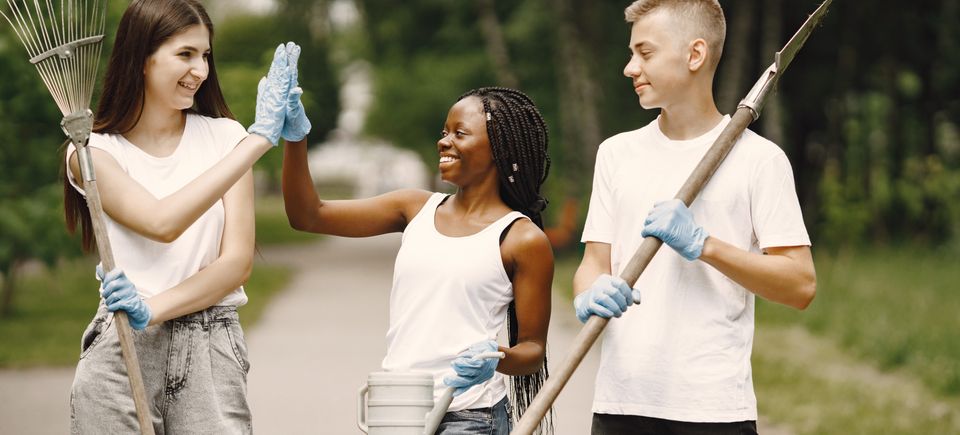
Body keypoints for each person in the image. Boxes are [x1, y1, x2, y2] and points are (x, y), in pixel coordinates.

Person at [64, 0, 310, 432]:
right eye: (185, 54)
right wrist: (259, 141)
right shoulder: (92, 153)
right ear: (141, 58)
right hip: (121, 348)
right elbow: (162, 222)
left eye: (206, 56)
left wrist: (153, 307)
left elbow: (236, 263)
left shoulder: (224, 138)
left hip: (211, 345)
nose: (200, 70)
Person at [572, 1, 817, 434]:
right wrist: (590, 293)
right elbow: (594, 263)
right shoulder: (616, 154)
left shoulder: (759, 161)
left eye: (645, 54)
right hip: (620, 402)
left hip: (712, 409)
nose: (630, 68)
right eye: (632, 54)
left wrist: (705, 245)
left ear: (695, 54)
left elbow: (799, 285)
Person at [282, 87, 553, 434]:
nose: (443, 142)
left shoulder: (522, 239)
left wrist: (496, 357)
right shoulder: (413, 208)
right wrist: (295, 139)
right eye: (444, 132)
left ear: (500, 147)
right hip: (398, 407)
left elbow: (532, 349)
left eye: (459, 133)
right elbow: (307, 215)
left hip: (469, 414)